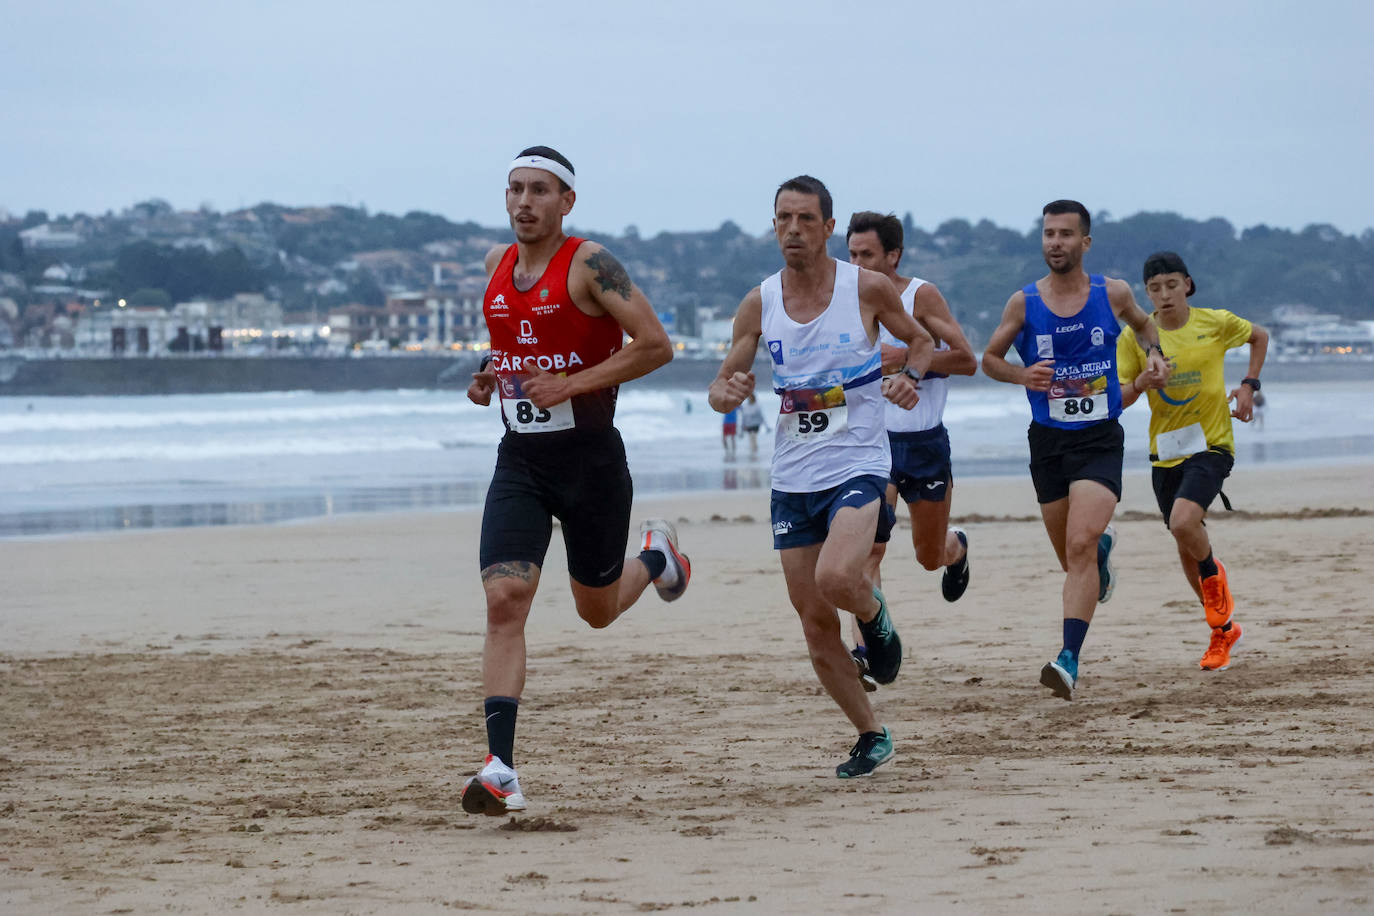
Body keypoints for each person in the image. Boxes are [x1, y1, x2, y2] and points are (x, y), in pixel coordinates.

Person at [461, 146, 691, 816]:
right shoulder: (494, 267)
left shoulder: (592, 264)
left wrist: (572, 383)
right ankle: (500, 768)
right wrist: (489, 375)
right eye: (513, 189)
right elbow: (515, 346)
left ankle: (656, 558)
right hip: (522, 461)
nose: (523, 202)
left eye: (539, 190)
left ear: (566, 201)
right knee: (506, 596)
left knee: (596, 610)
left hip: (591, 463)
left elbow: (655, 346)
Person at [709, 175, 934, 778]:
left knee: (839, 578)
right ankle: (871, 733)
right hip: (792, 475)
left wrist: (909, 376)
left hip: (860, 462)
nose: (793, 230)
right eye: (784, 219)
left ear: (829, 227)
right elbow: (721, 385)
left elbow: (922, 342)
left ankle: (874, 615)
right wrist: (726, 392)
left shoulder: (865, 287)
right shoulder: (760, 302)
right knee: (813, 623)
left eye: (806, 219)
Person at [981, 200, 1169, 700]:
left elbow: (1145, 325)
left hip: (1099, 438)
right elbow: (988, 359)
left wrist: (1154, 355)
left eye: (1066, 234)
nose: (1055, 243)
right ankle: (1102, 555)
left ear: (1085, 243)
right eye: (1048, 234)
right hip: (1048, 443)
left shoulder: (1113, 293)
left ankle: (1068, 659)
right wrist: (1023, 375)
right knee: (1074, 555)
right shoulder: (1023, 303)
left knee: (1080, 544)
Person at [844, 211, 978, 690]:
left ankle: (956, 548)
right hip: (869, 446)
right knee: (867, 552)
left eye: (867, 255)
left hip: (923, 443)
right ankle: (867, 651)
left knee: (927, 555)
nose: (857, 263)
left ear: (893, 255)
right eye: (852, 254)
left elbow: (967, 360)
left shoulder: (920, 295)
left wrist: (907, 357)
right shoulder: (846, 297)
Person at [1118, 251, 1269, 671]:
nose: (1164, 295)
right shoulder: (1136, 337)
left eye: (1171, 285)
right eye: (1154, 288)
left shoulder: (1214, 323)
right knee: (1184, 540)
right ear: (1145, 293)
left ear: (1187, 284)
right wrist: (1143, 381)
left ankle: (1212, 577)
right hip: (1166, 453)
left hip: (1212, 445)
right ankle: (1223, 633)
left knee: (1184, 523)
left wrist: (1247, 385)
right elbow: (1117, 397)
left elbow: (1260, 336)